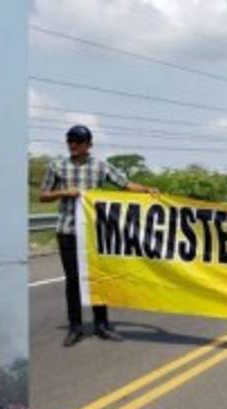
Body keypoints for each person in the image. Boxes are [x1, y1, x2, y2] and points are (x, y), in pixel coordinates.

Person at [39, 124, 157, 347]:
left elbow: (125, 184)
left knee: (98, 277)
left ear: (88, 145)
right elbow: (43, 195)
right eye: (70, 141)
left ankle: (101, 324)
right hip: (67, 230)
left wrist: (147, 190)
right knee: (73, 280)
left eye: (78, 141)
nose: (73, 145)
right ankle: (75, 326)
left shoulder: (100, 166)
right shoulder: (57, 166)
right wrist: (64, 192)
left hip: (94, 232)